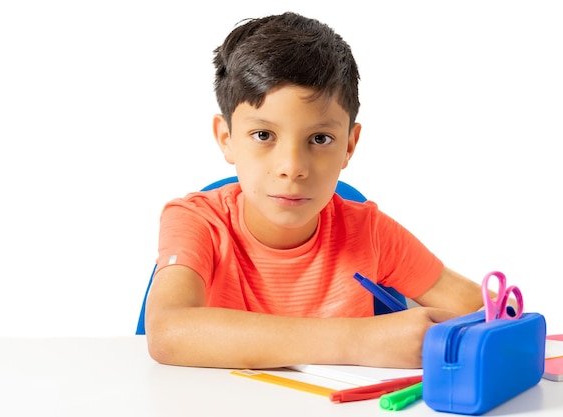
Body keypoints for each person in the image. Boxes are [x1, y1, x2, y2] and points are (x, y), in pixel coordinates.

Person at [145, 11, 485, 370]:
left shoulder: (369, 233)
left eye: (320, 138)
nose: (292, 167)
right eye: (264, 135)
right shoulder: (196, 221)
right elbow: (168, 331)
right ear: (226, 138)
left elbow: (489, 310)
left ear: (349, 146)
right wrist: (361, 341)